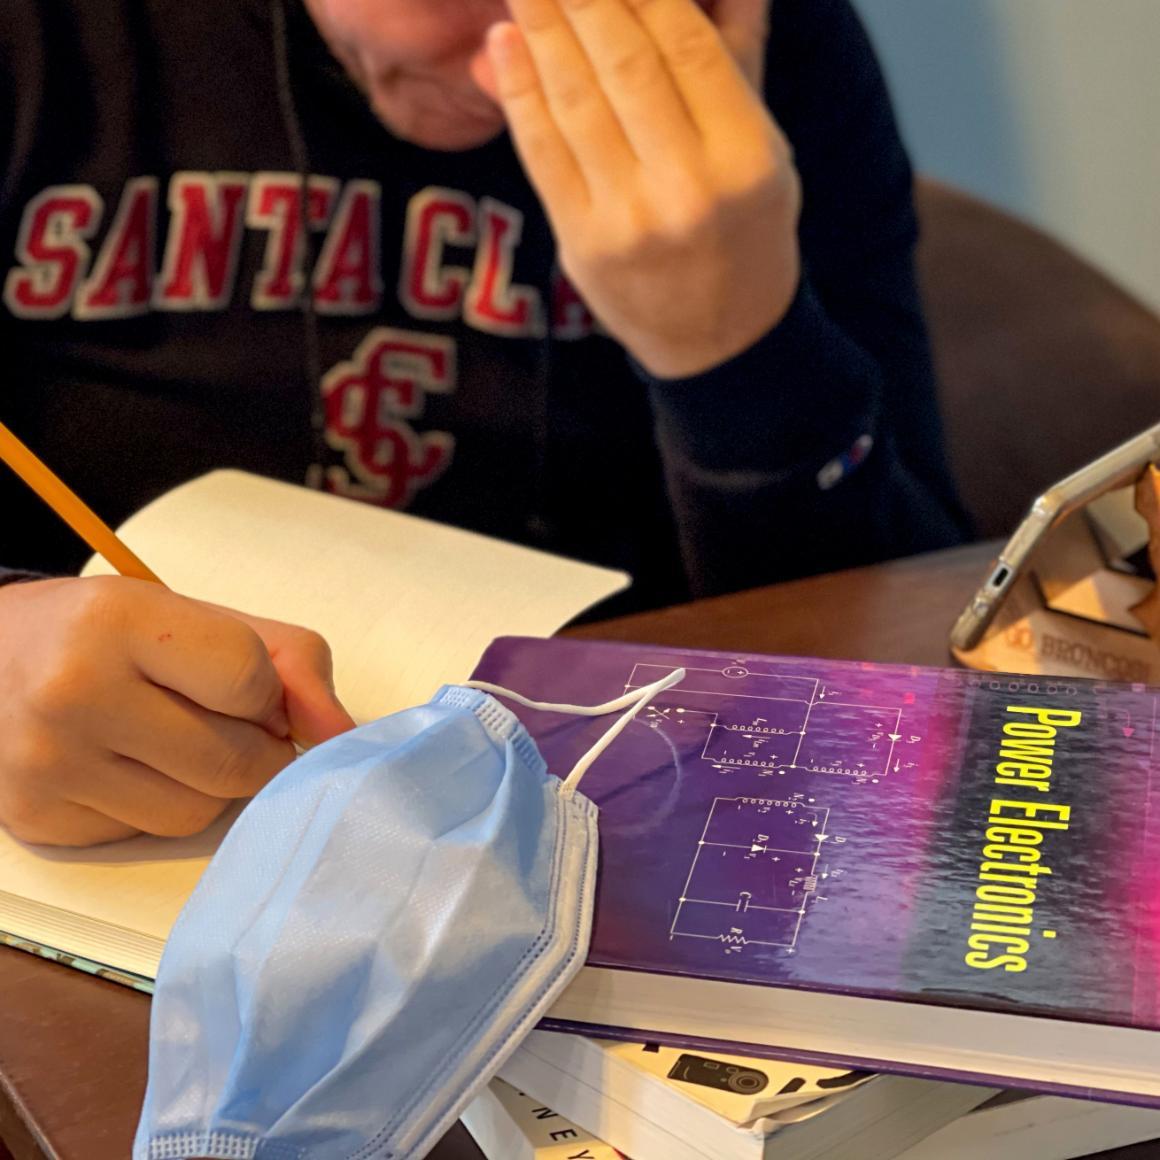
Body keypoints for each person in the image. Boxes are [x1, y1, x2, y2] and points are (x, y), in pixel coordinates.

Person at [0, 0, 969, 846]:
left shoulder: (761, 45)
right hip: (106, 840)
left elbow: (914, 649)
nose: (517, 76)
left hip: (601, 818)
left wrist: (736, 351)